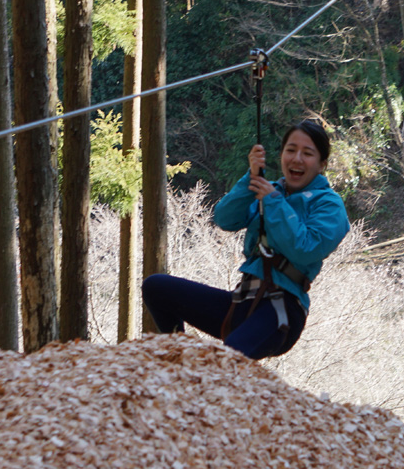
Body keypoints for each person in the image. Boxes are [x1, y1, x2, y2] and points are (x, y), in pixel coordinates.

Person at [142, 120, 350, 360]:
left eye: (308, 153)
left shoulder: (329, 204)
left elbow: (305, 248)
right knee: (157, 287)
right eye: (291, 150)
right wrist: (250, 179)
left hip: (281, 309)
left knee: (226, 358)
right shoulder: (267, 190)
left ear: (322, 164)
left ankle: (201, 382)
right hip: (243, 301)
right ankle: (177, 361)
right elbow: (224, 219)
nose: (297, 159)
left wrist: (273, 201)